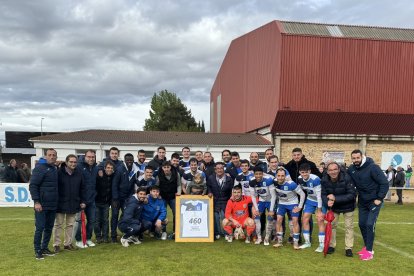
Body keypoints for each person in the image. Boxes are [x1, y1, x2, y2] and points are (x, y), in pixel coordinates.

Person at [348, 149, 389, 261]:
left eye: (358, 158)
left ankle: (369, 252)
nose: (356, 160)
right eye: (354, 158)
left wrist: (379, 198)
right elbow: (347, 181)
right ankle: (367, 247)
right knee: (362, 224)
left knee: (370, 224)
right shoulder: (351, 169)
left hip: (374, 201)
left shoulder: (373, 167)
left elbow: (384, 183)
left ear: (362, 157)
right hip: (362, 201)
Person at [321, 162, 356, 257]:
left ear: (339, 169)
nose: (333, 172)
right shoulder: (324, 179)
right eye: (331, 170)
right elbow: (323, 194)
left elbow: (352, 194)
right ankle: (331, 246)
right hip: (334, 207)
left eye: (335, 169)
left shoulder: (347, 178)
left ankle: (349, 248)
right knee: (332, 226)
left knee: (349, 227)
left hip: (348, 206)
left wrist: (335, 198)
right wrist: (327, 202)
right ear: (327, 172)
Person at [29, 149, 59, 260]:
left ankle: (44, 247)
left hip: (52, 204)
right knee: (40, 228)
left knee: (49, 228)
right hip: (41, 205)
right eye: (49, 155)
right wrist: (36, 202)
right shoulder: (39, 168)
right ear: (45, 156)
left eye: (54, 155)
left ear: (56, 157)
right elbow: (33, 185)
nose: (52, 157)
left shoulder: (55, 169)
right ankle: (37, 250)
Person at [53, 154, 86, 252]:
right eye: (71, 162)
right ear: (66, 162)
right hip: (61, 203)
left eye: (75, 162)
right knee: (58, 225)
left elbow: (82, 189)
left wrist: (83, 201)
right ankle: (56, 244)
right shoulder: (59, 173)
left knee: (70, 225)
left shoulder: (79, 174)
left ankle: (68, 244)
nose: (73, 164)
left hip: (74, 203)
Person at [273, 168, 305, 250]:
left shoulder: (291, 184)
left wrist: (300, 206)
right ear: (276, 176)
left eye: (282, 176)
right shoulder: (273, 182)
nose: (280, 177)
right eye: (279, 176)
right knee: (279, 220)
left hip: (292, 203)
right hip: (282, 203)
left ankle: (295, 243)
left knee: (294, 221)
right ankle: (279, 242)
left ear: (285, 176)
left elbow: (302, 194)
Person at [297, 163, 325, 252]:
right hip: (310, 199)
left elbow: (319, 196)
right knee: (304, 219)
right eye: (302, 172)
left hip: (320, 200)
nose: (304, 174)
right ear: (300, 172)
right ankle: (307, 242)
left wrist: (319, 210)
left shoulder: (315, 179)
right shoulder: (299, 179)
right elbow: (301, 192)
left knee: (320, 220)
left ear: (309, 171)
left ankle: (321, 244)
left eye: (306, 172)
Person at [111, 153, 139, 243]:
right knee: (115, 216)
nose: (129, 162)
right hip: (117, 198)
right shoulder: (119, 169)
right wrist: (115, 198)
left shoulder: (134, 170)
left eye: (131, 160)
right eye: (128, 160)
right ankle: (113, 236)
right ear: (124, 160)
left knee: (127, 216)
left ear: (133, 160)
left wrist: (130, 197)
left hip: (126, 199)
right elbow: (114, 184)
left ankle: (128, 234)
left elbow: (133, 185)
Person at [75, 150, 98, 248]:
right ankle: (78, 240)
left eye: (93, 157)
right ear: (85, 157)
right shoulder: (79, 167)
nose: (91, 159)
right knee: (79, 221)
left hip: (91, 200)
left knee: (92, 221)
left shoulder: (96, 168)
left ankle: (88, 238)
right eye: (89, 157)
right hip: (81, 200)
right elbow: (76, 184)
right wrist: (80, 200)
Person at [249, 166, 277, 246]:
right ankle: (259, 237)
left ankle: (267, 238)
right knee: (256, 217)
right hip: (261, 200)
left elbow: (274, 195)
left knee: (270, 218)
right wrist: (256, 208)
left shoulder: (268, 180)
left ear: (263, 174)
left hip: (270, 200)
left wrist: (271, 209)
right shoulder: (251, 181)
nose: (258, 176)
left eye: (260, 174)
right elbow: (253, 196)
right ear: (254, 174)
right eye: (256, 174)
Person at [207, 162, 233, 240]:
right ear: (215, 170)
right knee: (216, 217)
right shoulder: (211, 178)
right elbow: (208, 186)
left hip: (225, 201)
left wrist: (230, 200)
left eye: (221, 168)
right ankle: (217, 233)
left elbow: (231, 190)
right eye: (217, 168)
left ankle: (226, 233)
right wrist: (209, 192)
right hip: (215, 201)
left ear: (223, 169)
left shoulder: (229, 179)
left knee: (225, 217)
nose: (219, 170)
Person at [156, 161, 181, 239]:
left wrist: (179, 192)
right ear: (162, 168)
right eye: (164, 167)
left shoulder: (176, 174)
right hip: (162, 197)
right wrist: (158, 194)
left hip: (173, 196)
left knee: (176, 213)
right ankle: (163, 232)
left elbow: (179, 184)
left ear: (170, 167)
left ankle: (175, 231)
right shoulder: (158, 175)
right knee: (163, 214)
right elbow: (156, 186)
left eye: (168, 167)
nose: (166, 169)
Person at [94, 161, 115, 244]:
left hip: (106, 203)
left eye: (111, 168)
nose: (109, 169)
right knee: (97, 220)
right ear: (105, 168)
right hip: (97, 201)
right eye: (108, 168)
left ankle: (105, 237)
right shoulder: (99, 175)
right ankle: (98, 237)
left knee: (105, 220)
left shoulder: (113, 176)